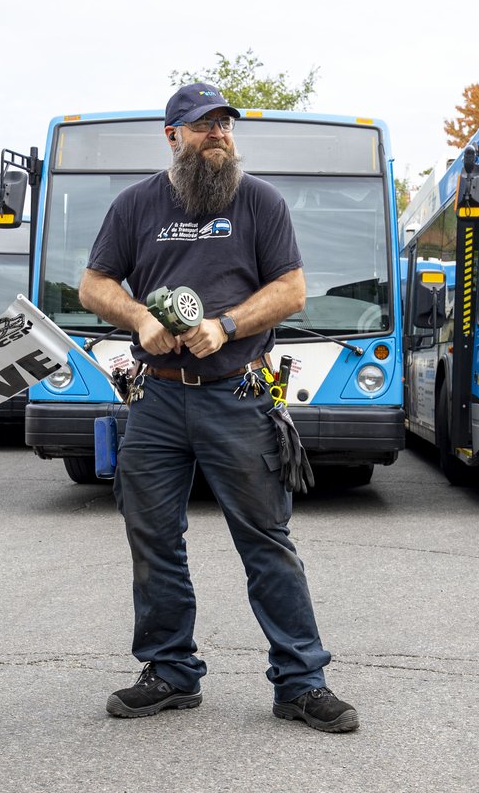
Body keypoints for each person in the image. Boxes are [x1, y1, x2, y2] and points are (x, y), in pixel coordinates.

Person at [77, 82, 359, 733]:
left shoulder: (259, 203)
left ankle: (301, 681)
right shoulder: (136, 206)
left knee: (266, 541)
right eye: (204, 125)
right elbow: (94, 284)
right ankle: (170, 671)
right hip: (155, 397)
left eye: (225, 123)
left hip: (238, 392)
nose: (218, 134)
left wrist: (226, 325)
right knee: (152, 538)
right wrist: (141, 318)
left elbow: (291, 289)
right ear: (172, 134)